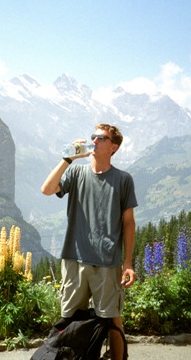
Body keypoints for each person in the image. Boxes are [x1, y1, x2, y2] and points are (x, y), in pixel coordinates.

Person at [40, 123, 137, 360]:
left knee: (113, 320)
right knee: (69, 318)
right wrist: (67, 159)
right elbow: (47, 189)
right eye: (93, 136)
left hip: (107, 261)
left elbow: (128, 223)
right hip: (75, 259)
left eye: (101, 138)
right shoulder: (76, 172)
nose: (94, 140)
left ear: (113, 147)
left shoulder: (123, 179)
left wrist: (128, 263)